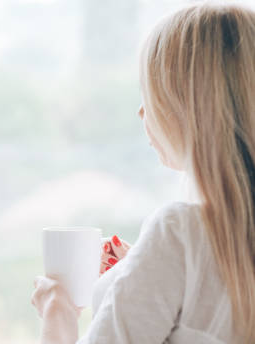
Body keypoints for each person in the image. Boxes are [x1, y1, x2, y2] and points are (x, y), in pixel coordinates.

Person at [31, 3, 255, 343]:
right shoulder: (193, 242)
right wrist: (145, 267)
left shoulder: (179, 232)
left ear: (188, 104)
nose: (141, 111)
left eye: (150, 92)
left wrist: (56, 313)